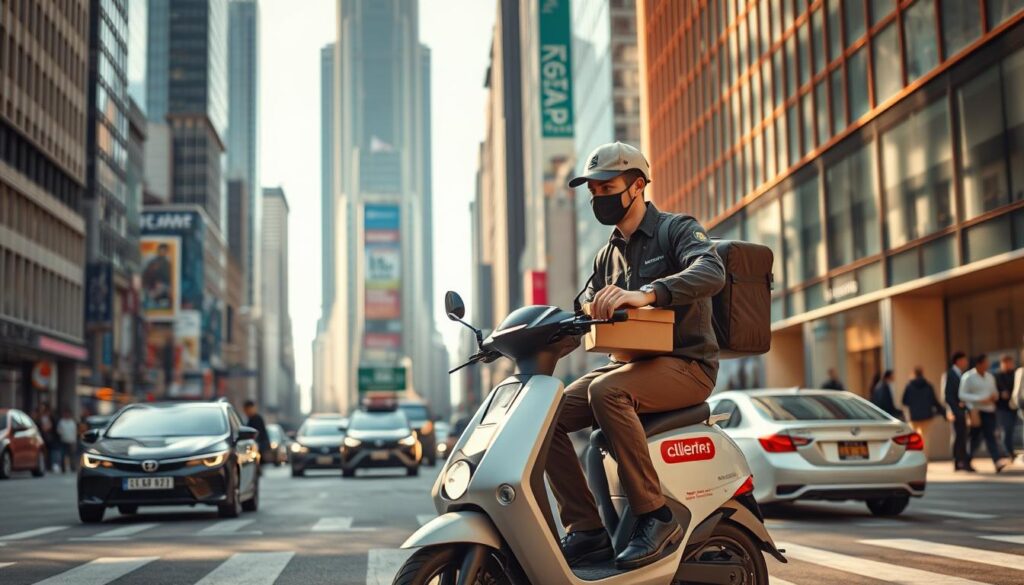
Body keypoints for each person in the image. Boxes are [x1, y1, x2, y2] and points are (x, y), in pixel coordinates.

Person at [548, 142, 726, 570]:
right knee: (546, 413)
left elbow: (711, 271)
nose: (598, 198)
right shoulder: (605, 254)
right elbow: (584, 309)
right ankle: (587, 530)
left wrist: (646, 294)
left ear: (638, 185)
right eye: (592, 190)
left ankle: (655, 515)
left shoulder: (677, 229)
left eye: (606, 186)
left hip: (687, 365)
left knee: (608, 392)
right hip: (629, 366)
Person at [959, 354, 1009, 473]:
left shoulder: (990, 377)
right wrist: (980, 398)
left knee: (990, 436)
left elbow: (995, 392)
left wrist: (994, 397)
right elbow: (962, 395)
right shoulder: (968, 377)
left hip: (989, 410)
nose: (988, 364)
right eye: (986, 362)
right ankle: (966, 460)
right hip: (976, 412)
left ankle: (996, 461)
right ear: (979, 364)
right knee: (975, 438)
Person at [901, 367, 944, 446]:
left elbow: (904, 401)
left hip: (914, 417)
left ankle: (915, 457)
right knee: (925, 438)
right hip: (927, 416)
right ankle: (924, 456)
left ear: (913, 374)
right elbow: (934, 401)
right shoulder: (928, 385)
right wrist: (943, 412)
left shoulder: (909, 386)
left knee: (914, 438)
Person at [945, 351, 971, 471]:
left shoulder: (961, 374)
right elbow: (948, 395)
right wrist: (954, 410)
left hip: (961, 410)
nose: (966, 362)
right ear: (958, 361)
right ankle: (959, 461)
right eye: (964, 360)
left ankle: (962, 461)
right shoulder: (950, 374)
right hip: (956, 411)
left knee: (962, 436)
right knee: (959, 436)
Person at [994, 354, 1019, 460]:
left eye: (1010, 363)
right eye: (1007, 363)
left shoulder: (1015, 374)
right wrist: (1000, 394)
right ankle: (1008, 452)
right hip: (1002, 407)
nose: (1009, 365)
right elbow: (993, 391)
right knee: (1006, 429)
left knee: (1011, 430)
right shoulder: (996, 376)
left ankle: (1009, 451)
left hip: (1014, 406)